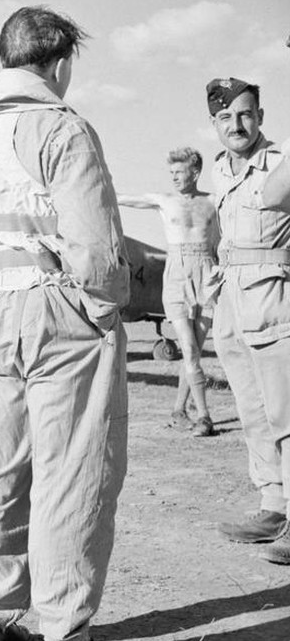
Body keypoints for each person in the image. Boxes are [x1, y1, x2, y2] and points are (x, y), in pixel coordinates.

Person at [0, 6, 149, 641]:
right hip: (58, 308)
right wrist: (98, 308)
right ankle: (67, 638)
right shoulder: (62, 129)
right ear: (57, 63)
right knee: (74, 470)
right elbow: (95, 246)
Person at [207, 78, 290, 566]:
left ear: (260, 115)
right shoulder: (219, 169)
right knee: (253, 411)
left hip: (274, 298)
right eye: (225, 118)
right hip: (232, 303)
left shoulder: (280, 163)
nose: (236, 126)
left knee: (287, 413)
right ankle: (273, 506)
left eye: (245, 115)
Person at [118, 148, 220, 437]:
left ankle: (178, 410)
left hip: (206, 274)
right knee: (187, 349)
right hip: (176, 275)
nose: (174, 177)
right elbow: (121, 198)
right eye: (171, 173)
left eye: (179, 172)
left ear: (195, 172)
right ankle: (204, 416)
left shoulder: (213, 203)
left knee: (194, 353)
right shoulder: (164, 201)